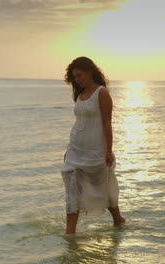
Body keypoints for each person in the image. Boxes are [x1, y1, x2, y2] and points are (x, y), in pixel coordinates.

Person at [61, 56, 125, 234]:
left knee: (101, 186)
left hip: (95, 151)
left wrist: (109, 151)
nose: (77, 80)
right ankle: (70, 232)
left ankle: (118, 220)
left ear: (90, 72)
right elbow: (79, 124)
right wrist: (68, 149)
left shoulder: (102, 93)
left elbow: (107, 123)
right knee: (72, 188)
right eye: (74, 77)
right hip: (76, 150)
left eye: (79, 75)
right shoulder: (80, 94)